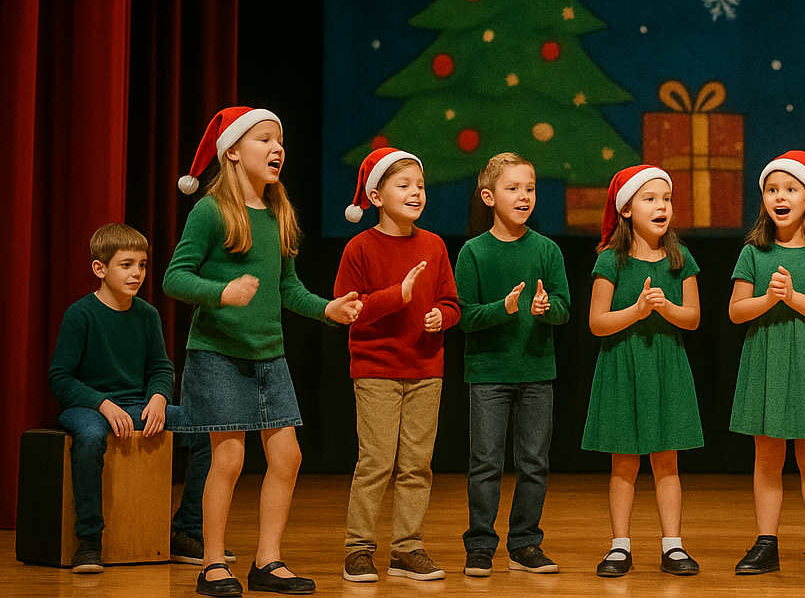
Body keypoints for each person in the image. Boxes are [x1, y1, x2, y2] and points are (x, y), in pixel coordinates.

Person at [163, 107, 362, 596]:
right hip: (218, 354)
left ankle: (267, 562)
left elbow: (288, 287)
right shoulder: (210, 211)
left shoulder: (278, 213)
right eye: (265, 140)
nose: (278, 149)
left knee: (287, 458)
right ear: (233, 151)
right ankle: (212, 564)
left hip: (270, 356)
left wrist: (327, 309)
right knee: (227, 459)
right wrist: (221, 293)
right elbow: (174, 277)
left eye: (281, 141)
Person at [49, 223, 214, 573]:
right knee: (92, 438)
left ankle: (185, 531)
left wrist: (158, 396)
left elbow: (160, 367)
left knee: (207, 429)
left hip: (137, 404)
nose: (136, 273)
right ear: (100, 269)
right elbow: (60, 378)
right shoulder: (80, 315)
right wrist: (102, 403)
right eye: (126, 265)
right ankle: (89, 541)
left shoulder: (147, 314)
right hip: (88, 407)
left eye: (141, 264)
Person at [334, 147, 461, 583]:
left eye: (420, 186)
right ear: (376, 195)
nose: (415, 193)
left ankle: (407, 548)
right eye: (403, 186)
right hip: (376, 369)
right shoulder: (359, 247)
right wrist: (397, 295)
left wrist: (441, 316)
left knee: (416, 464)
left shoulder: (434, 245)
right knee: (376, 462)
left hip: (426, 369)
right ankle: (358, 548)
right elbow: (348, 309)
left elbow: (451, 302)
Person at [728, 150, 805, 579]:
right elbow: (736, 311)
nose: (780, 197)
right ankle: (767, 543)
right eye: (772, 190)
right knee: (766, 455)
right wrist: (770, 298)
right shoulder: (754, 252)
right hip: (766, 358)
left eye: (790, 189)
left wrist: (794, 297)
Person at [582, 166, 704, 578]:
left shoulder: (680, 258)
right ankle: (620, 546)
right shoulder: (610, 260)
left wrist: (666, 308)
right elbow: (597, 322)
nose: (661, 206)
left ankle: (673, 545)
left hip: (666, 365)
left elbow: (693, 319)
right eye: (650, 198)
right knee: (624, 462)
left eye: (666, 199)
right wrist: (635, 312)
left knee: (666, 461)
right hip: (623, 365)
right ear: (627, 209)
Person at [455, 152, 571, 577]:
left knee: (534, 462)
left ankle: (525, 543)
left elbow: (565, 307)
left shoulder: (547, 249)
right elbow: (464, 316)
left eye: (530, 188)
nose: (524, 197)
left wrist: (547, 307)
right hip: (488, 375)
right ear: (488, 196)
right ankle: (481, 544)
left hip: (537, 373)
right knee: (486, 462)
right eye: (513, 188)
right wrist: (502, 309)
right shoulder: (473, 252)